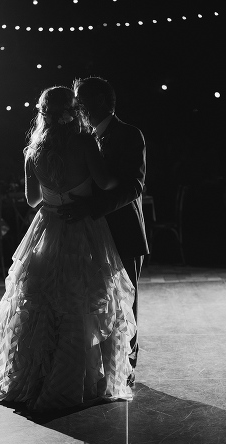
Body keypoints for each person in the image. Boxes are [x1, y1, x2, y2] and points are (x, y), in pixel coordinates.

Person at [0, 86, 137, 411]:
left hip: (47, 230)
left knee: (43, 307)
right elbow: (105, 183)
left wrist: (54, 194)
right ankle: (78, 379)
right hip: (83, 230)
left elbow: (32, 200)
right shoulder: (85, 142)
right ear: (74, 110)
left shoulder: (33, 150)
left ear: (42, 113)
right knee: (81, 302)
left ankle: (36, 379)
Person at [58, 76, 148, 385]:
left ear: (99, 101)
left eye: (80, 99)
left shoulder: (129, 134)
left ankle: (126, 367)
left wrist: (93, 208)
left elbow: (134, 186)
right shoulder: (81, 137)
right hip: (91, 234)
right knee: (100, 303)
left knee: (125, 302)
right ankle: (106, 366)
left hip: (123, 231)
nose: (76, 105)